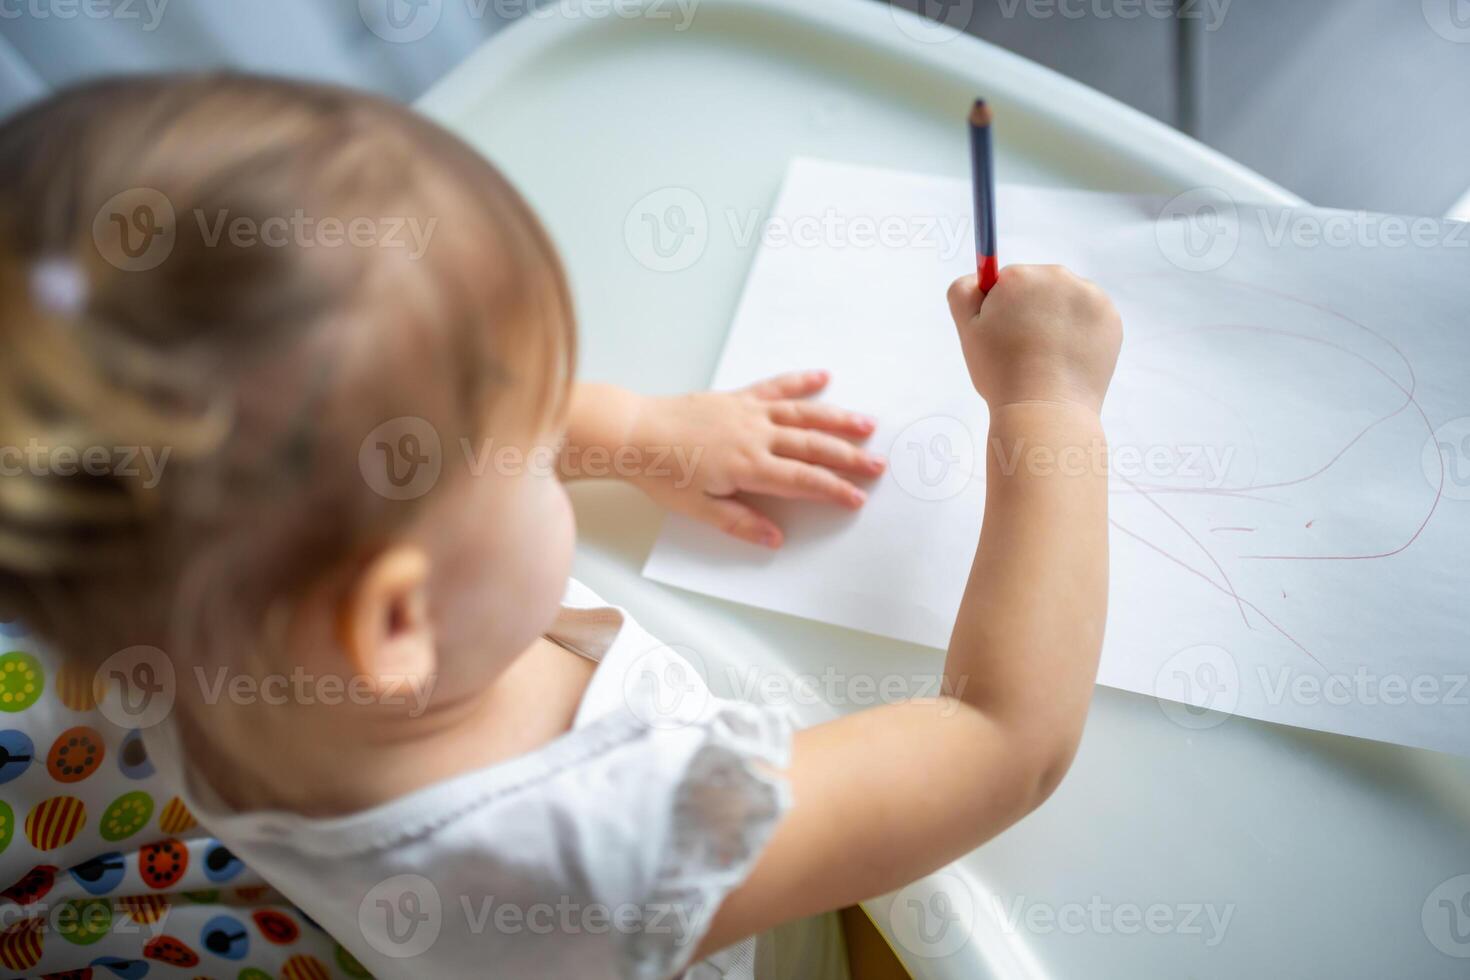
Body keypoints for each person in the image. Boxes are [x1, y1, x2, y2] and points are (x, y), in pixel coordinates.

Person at [0, 73, 1121, 978]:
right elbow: (1003, 740)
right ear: (396, 620)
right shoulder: (609, 843)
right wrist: (1047, 404)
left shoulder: (168, 632)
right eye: (536, 441)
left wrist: (636, 432)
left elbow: (372, 446)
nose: (556, 442)